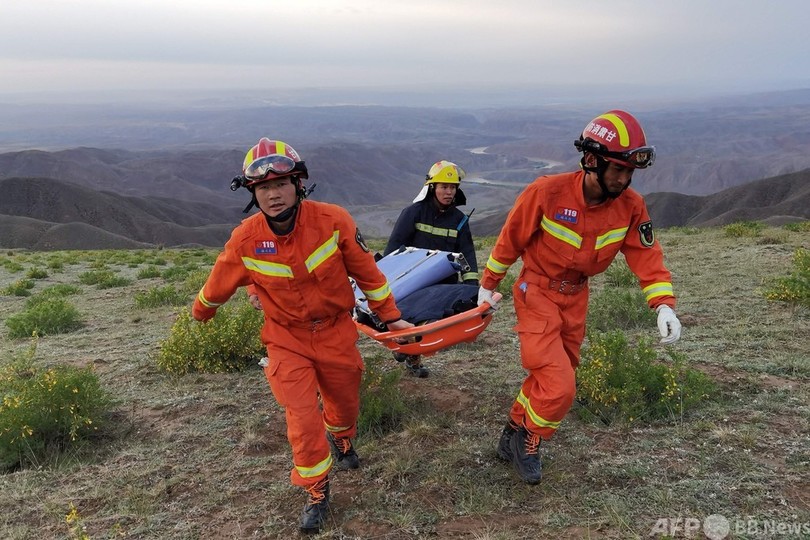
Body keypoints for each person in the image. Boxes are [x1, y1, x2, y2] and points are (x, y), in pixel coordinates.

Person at [191, 137, 413, 533]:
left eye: (280, 185)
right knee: (301, 417)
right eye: (262, 188)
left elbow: (368, 273)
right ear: (252, 194)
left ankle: (342, 438)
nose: (272, 195)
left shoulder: (333, 220)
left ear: (298, 185)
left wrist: (391, 318)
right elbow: (218, 282)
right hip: (285, 339)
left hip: (335, 332)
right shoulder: (245, 238)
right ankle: (316, 488)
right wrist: (202, 312)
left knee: (343, 404)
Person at [477, 110, 682, 484]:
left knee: (552, 376)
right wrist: (488, 285)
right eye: (617, 169)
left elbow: (646, 255)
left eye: (629, 172)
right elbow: (511, 239)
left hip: (576, 298)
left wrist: (663, 303)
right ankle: (529, 441)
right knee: (559, 386)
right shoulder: (546, 192)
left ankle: (511, 433)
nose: (623, 179)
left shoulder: (631, 205)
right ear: (591, 161)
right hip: (535, 291)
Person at [382, 160, 479, 377]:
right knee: (411, 319)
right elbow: (394, 248)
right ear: (432, 187)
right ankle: (410, 355)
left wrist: (472, 286)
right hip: (413, 280)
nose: (449, 192)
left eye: (453, 187)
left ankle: (410, 352)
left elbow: (468, 253)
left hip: (443, 284)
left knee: (429, 323)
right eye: (444, 186)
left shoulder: (460, 220)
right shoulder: (413, 213)